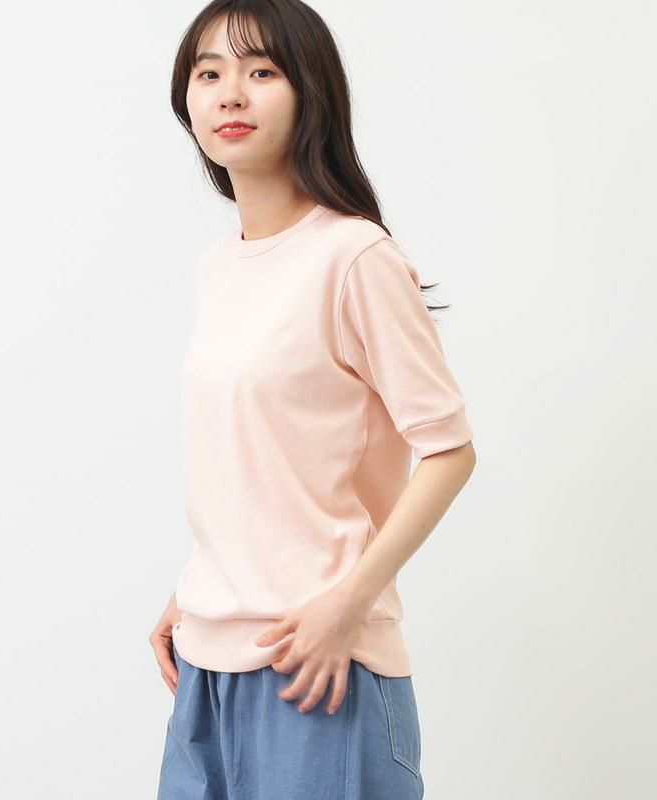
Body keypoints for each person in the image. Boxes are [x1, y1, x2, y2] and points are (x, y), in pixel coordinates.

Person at [151, 1, 477, 797]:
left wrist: (347, 604)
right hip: (208, 659)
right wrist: (196, 589)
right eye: (209, 73)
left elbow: (449, 451)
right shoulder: (220, 266)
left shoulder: (354, 257)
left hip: (319, 666)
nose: (231, 94)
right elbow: (257, 458)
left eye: (262, 71)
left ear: (311, 94)